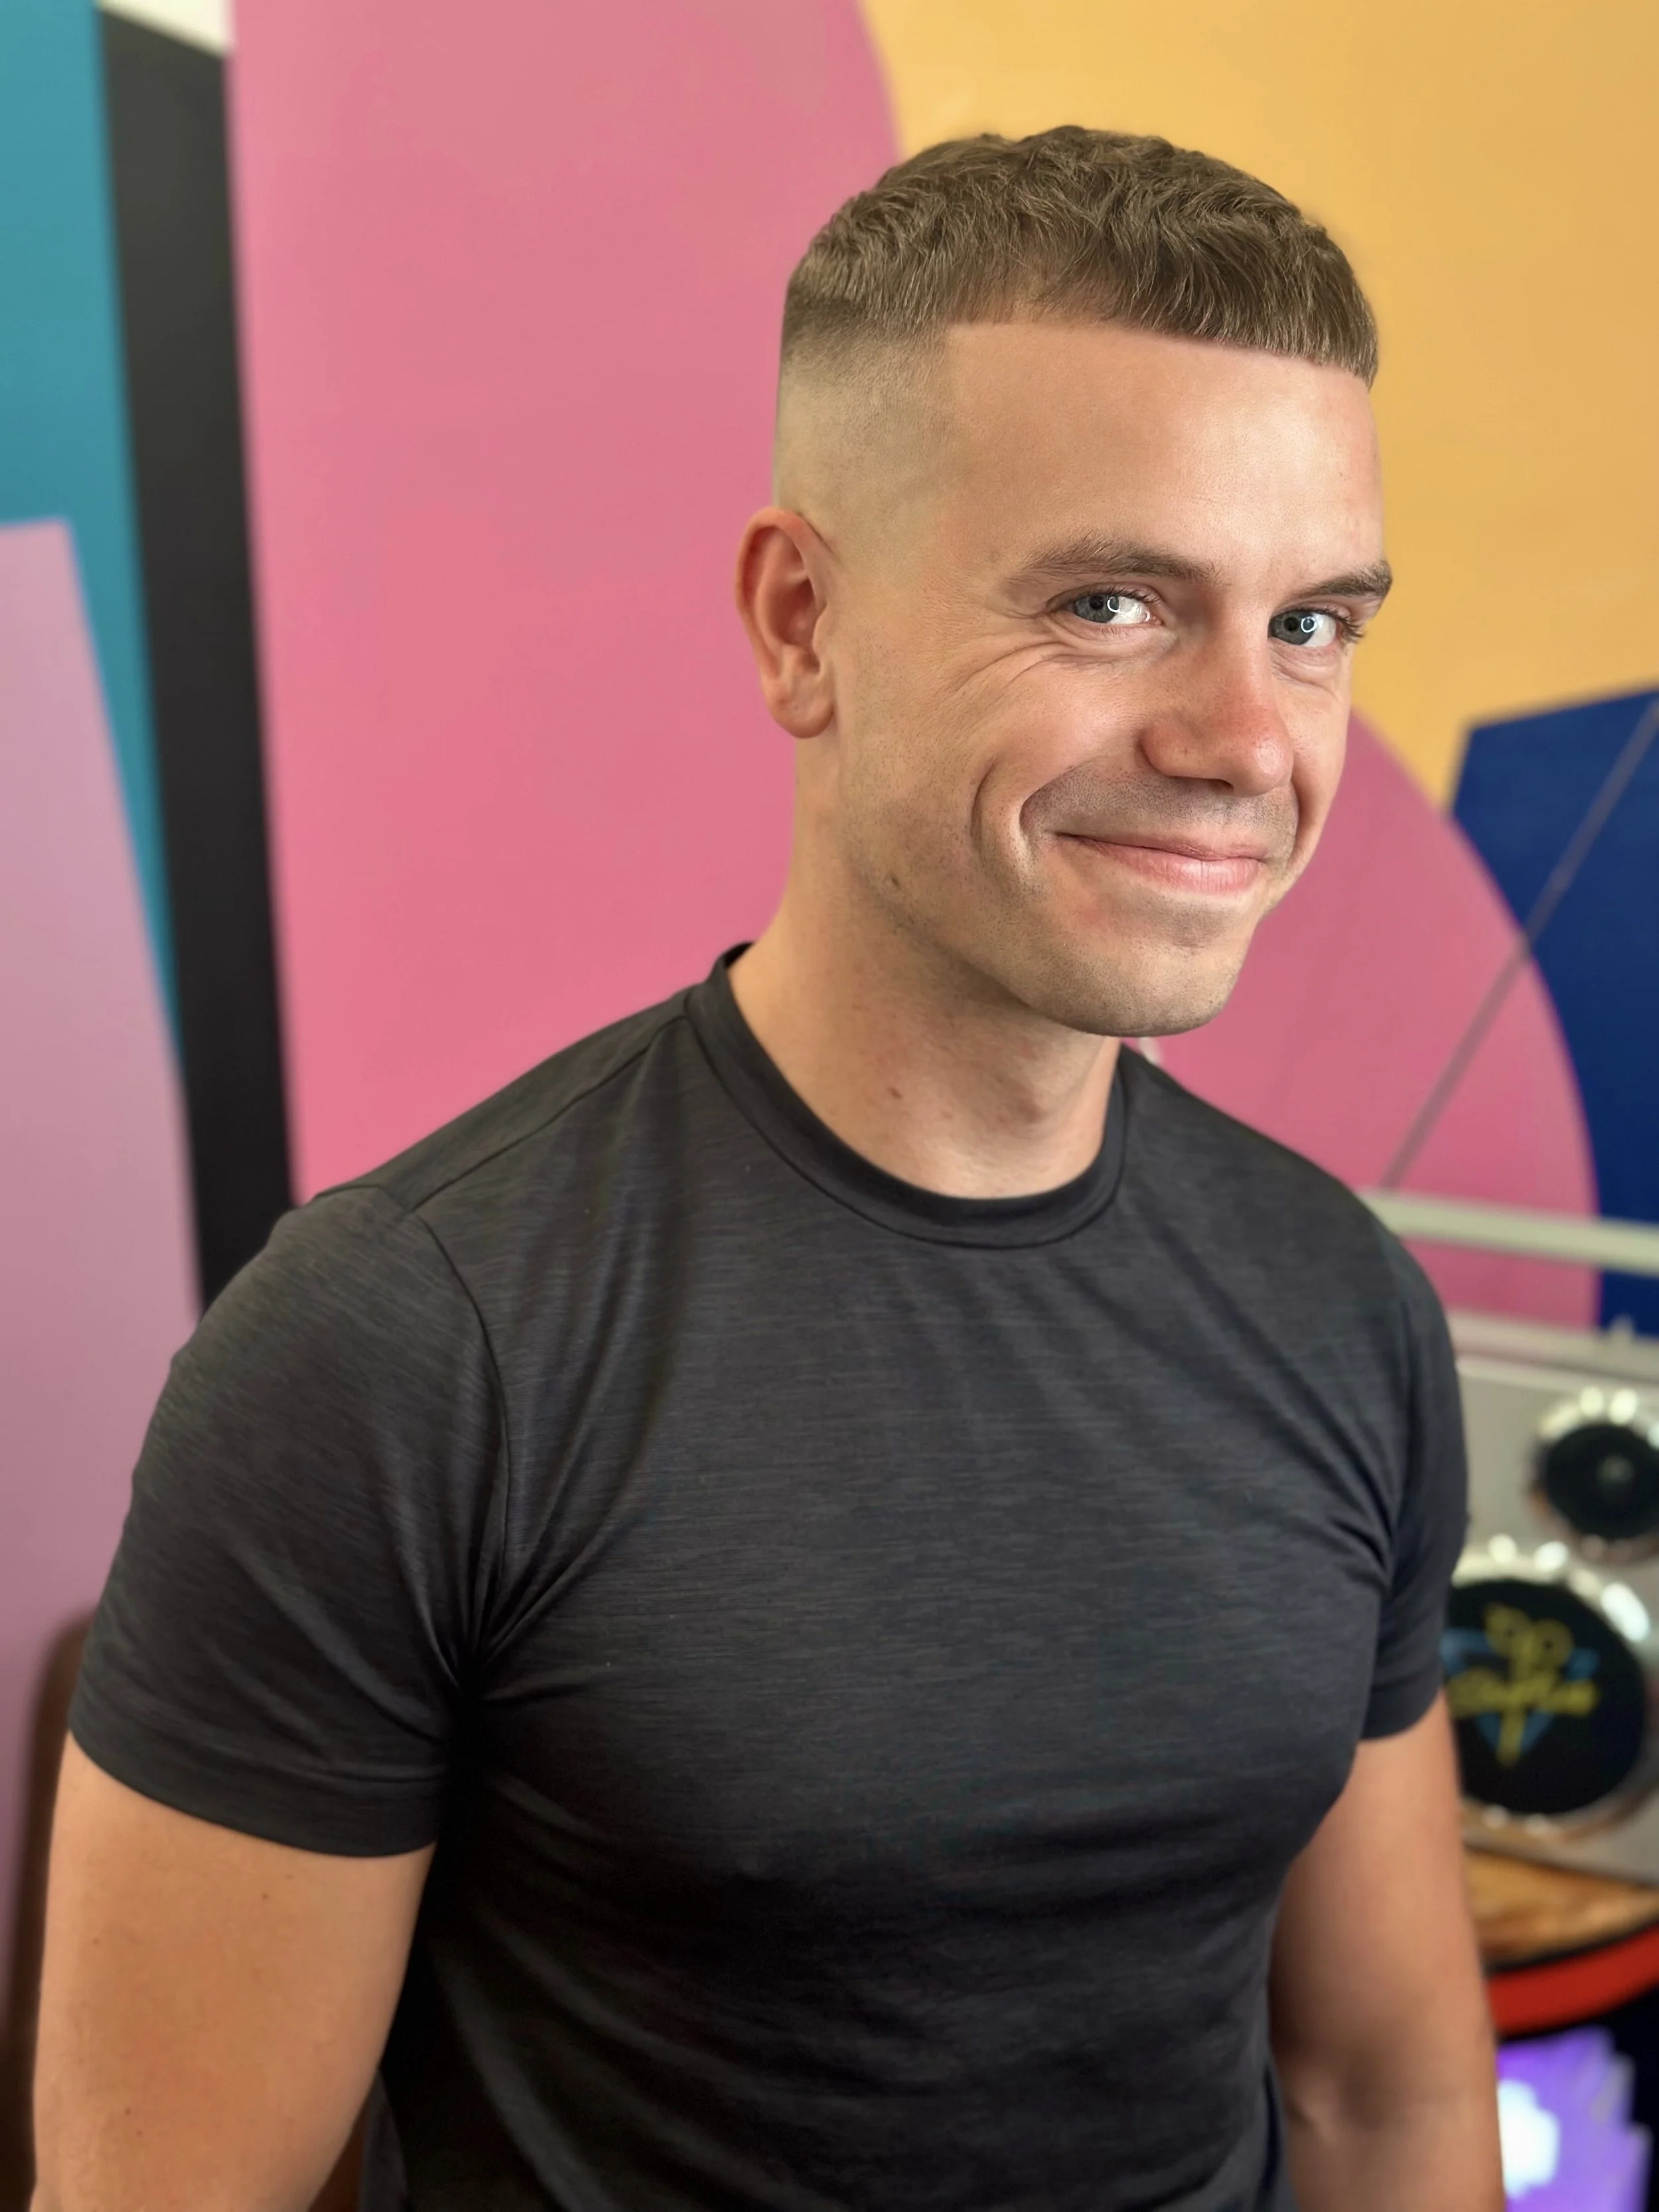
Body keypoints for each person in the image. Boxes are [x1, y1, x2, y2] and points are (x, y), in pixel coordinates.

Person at [33, 128, 1503, 2212]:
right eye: (1111, 601)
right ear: (802, 617)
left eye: (1311, 623)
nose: (1245, 738)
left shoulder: (1340, 1301)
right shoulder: (405, 1346)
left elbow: (1381, 2097)